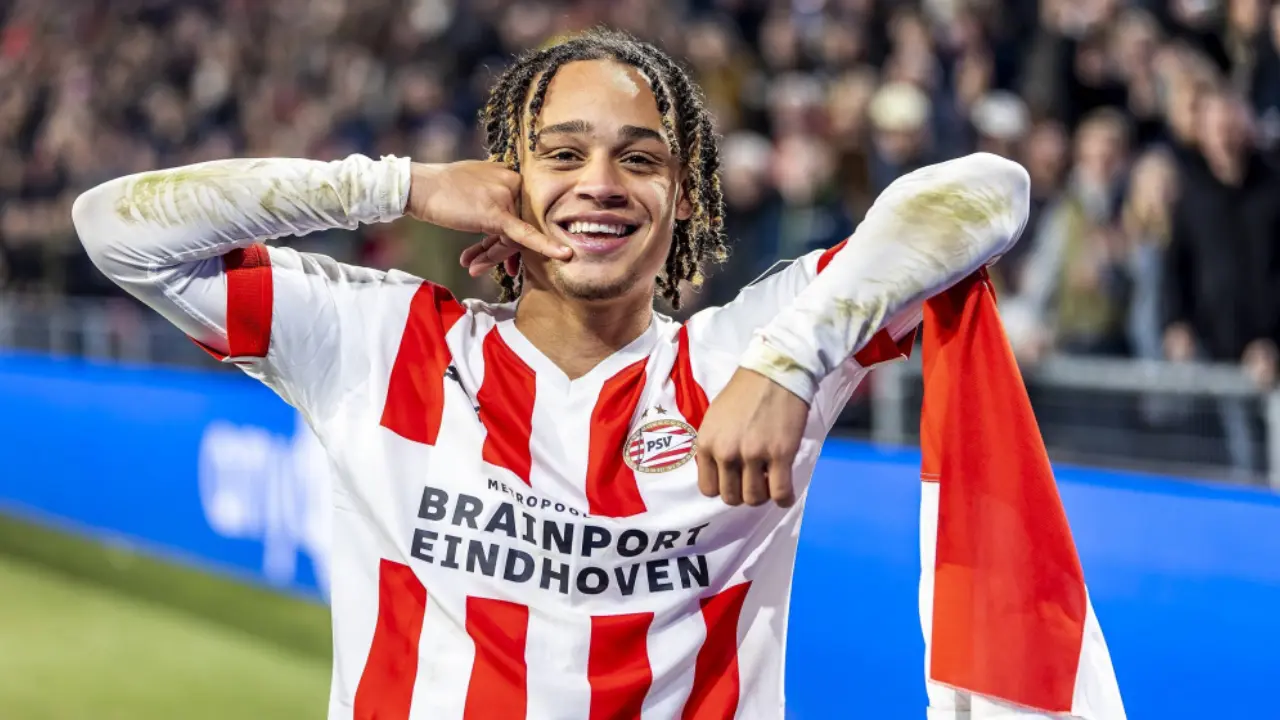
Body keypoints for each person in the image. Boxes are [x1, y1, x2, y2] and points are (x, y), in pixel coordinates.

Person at [71, 29, 1029, 720]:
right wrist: (400, 183)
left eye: (640, 160)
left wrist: (790, 362)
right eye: (562, 154)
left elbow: (989, 192)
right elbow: (115, 231)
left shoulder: (744, 354)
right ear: (509, 184)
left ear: (683, 198)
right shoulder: (380, 343)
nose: (599, 183)